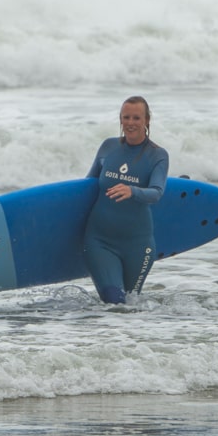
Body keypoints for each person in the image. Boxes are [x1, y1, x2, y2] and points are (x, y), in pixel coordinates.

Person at [82, 95, 170, 304]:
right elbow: (88, 185)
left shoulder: (158, 155)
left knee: (130, 307)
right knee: (114, 302)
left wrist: (133, 191)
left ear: (147, 120)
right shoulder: (108, 147)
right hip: (100, 241)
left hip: (138, 244)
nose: (130, 123)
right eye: (126, 117)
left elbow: (156, 192)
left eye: (136, 118)